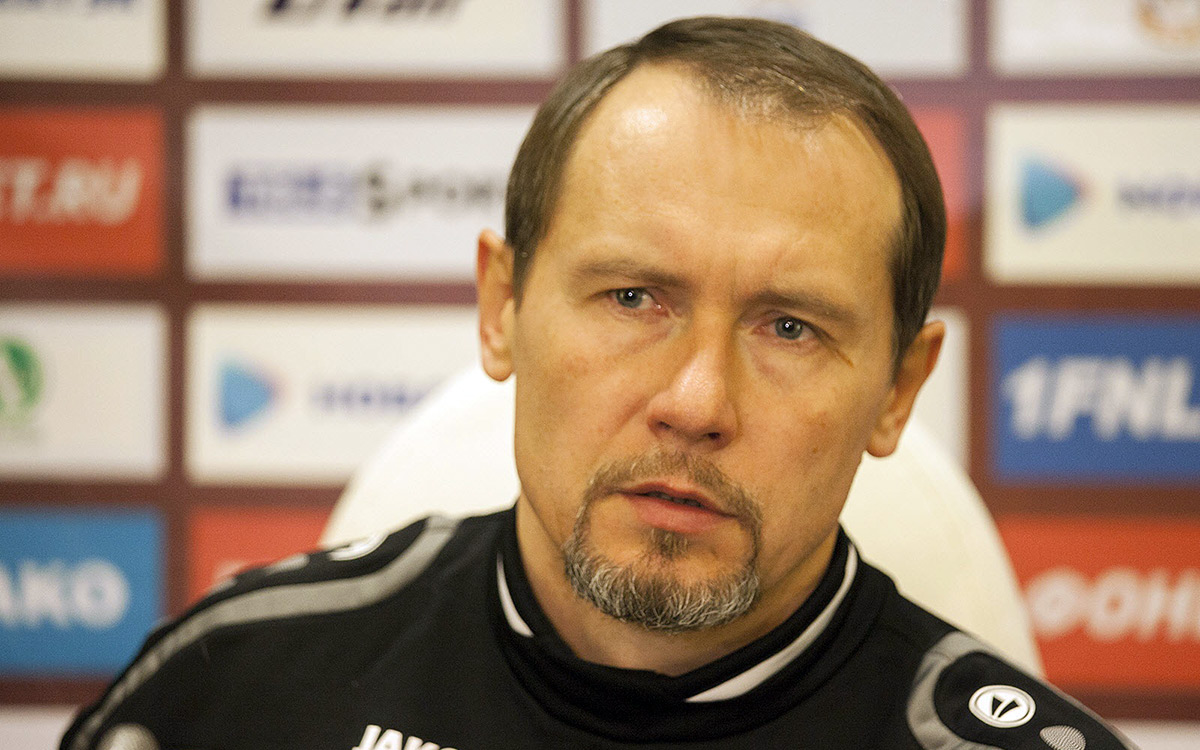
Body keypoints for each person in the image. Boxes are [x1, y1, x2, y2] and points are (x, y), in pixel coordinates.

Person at [62, 17, 1135, 750]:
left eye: (790, 326)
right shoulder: (234, 691)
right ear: (502, 308)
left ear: (897, 392)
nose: (697, 403)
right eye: (633, 298)